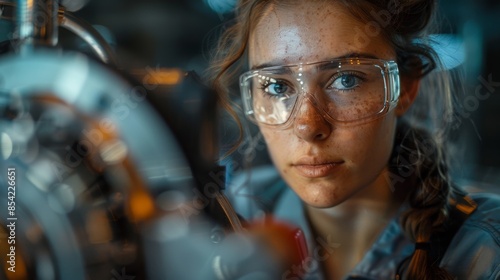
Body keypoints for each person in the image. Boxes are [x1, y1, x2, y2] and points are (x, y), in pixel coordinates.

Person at [208, 0, 500, 279]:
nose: (308, 126)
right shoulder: (230, 213)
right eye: (276, 86)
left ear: (405, 87)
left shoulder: (484, 248)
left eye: (346, 79)